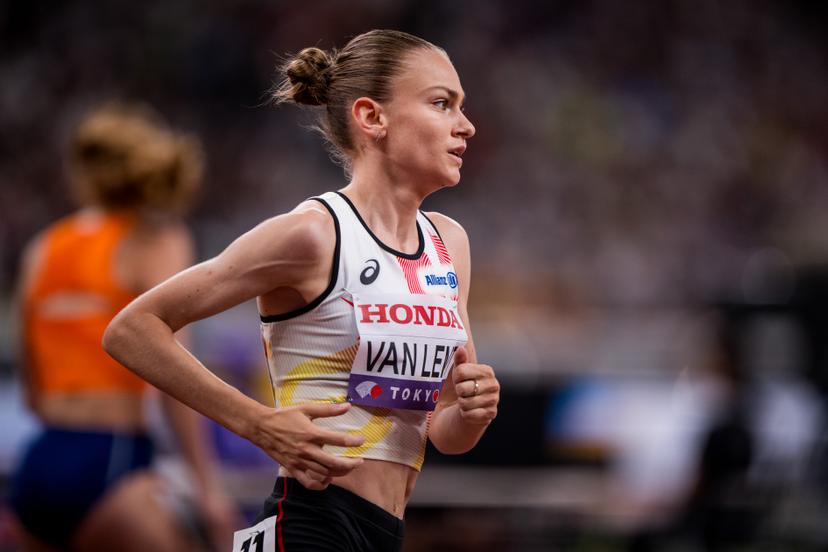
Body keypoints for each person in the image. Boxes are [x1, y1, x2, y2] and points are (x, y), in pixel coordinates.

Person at [103, 29, 500, 551]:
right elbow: (131, 329)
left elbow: (443, 431)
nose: (466, 126)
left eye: (461, 107)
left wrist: (472, 412)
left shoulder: (449, 243)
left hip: (384, 532)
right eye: (442, 104)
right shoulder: (314, 234)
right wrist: (257, 422)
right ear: (372, 117)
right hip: (312, 524)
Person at [9, 102, 236, 552]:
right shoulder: (156, 240)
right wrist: (208, 487)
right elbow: (176, 375)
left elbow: (31, 388)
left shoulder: (45, 246)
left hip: (39, 463)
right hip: (111, 459)